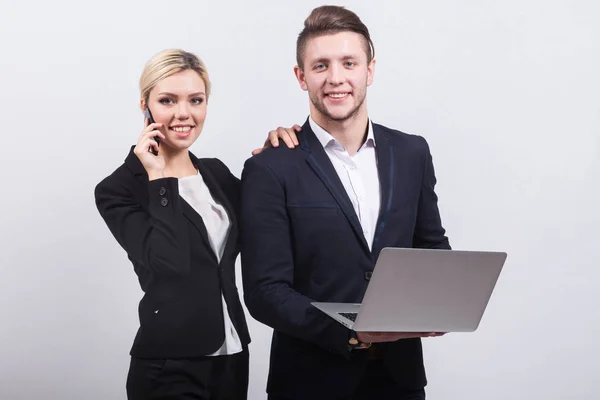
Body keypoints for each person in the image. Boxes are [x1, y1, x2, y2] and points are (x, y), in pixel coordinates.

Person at [240, 6, 450, 400]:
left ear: (369, 70)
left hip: (400, 380)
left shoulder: (411, 152)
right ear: (301, 77)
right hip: (309, 382)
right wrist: (351, 334)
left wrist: (441, 301)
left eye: (348, 63)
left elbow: (432, 247)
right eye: (320, 66)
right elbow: (265, 291)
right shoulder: (270, 167)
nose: (336, 79)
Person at [94, 49, 299, 400]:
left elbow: (267, 226)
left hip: (232, 355)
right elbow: (169, 262)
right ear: (145, 105)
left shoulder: (216, 173)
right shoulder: (118, 189)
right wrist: (158, 177)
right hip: (169, 364)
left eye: (196, 100)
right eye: (167, 100)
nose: (184, 113)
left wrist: (275, 157)